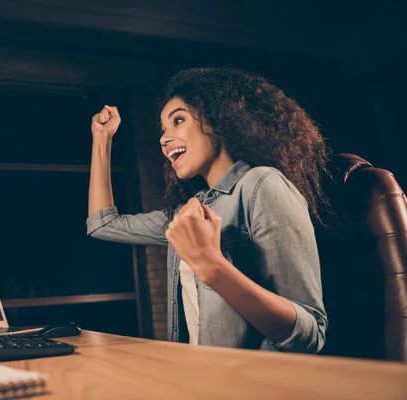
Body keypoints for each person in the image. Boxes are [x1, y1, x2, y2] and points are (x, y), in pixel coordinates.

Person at [86, 67, 329, 353]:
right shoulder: (190, 211)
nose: (164, 139)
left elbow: (309, 334)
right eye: (163, 130)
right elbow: (102, 224)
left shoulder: (263, 185)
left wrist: (213, 268)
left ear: (216, 120)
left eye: (178, 120)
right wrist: (102, 139)